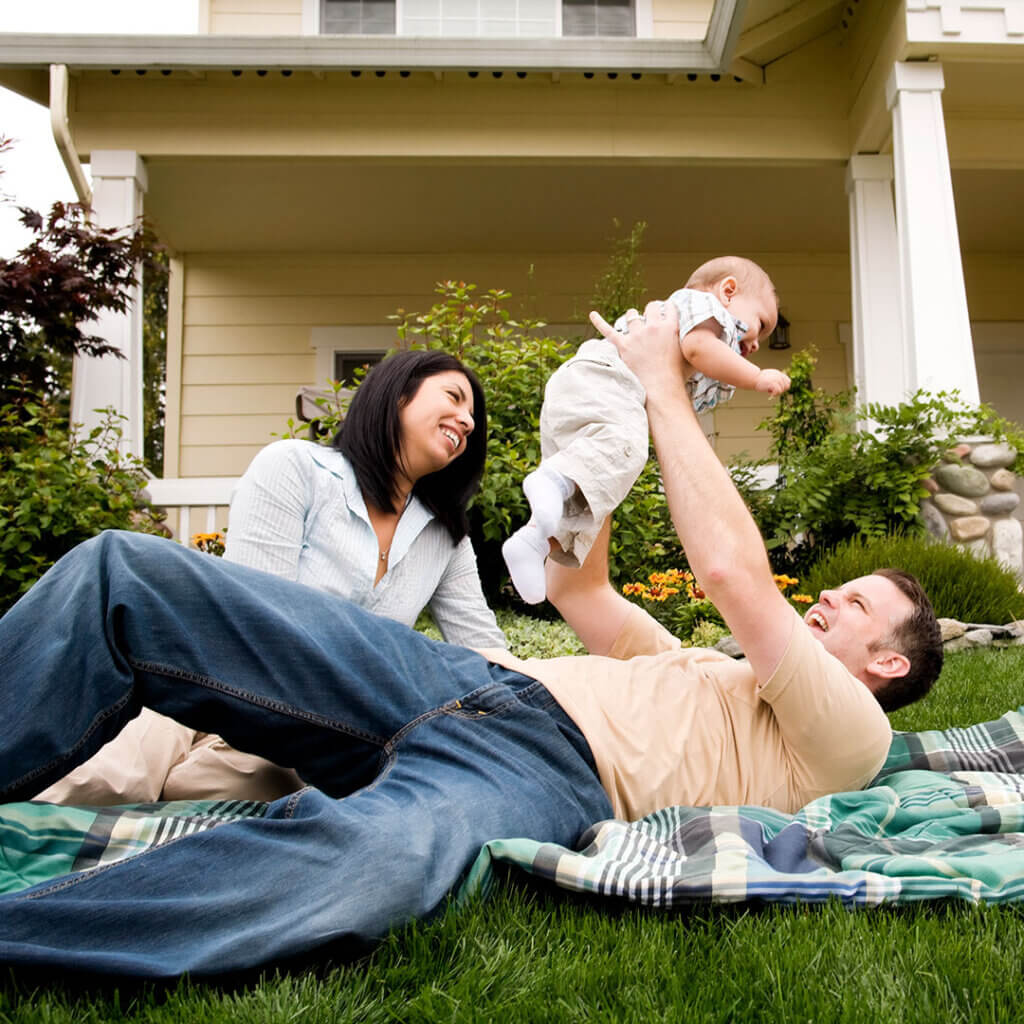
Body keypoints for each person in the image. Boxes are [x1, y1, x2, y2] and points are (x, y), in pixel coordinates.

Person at [0, 302, 942, 977]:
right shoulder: (710, 673)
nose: (825, 599)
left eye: (854, 604)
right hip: (452, 678)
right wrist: (595, 453)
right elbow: (580, 585)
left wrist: (663, 388)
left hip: (542, 772)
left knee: (378, 869)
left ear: (887, 662)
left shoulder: (849, 731)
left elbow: (733, 574)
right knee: (129, 571)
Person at [35, 349, 505, 806]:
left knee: (242, 795)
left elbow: (483, 649)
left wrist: (558, 691)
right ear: (397, 395)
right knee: (100, 783)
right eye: (453, 397)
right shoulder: (298, 469)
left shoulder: (445, 536)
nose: (467, 421)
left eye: (473, 417)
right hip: (206, 685)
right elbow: (252, 618)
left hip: (307, 736)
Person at [502, 255, 791, 604]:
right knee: (625, 450)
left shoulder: (698, 337)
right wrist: (756, 377)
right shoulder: (701, 310)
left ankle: (533, 540)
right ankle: (553, 482)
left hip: (582, 391)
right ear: (728, 291)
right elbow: (700, 349)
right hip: (606, 377)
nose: (758, 343)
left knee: (591, 496)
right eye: (762, 323)